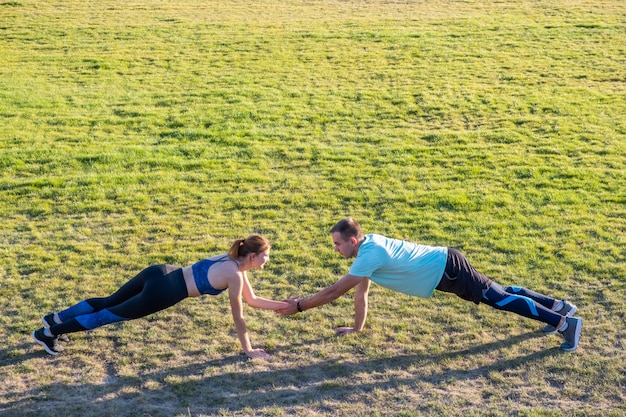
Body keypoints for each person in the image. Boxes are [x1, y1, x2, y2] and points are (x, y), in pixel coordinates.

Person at [276, 217, 583, 352]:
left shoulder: (369, 254)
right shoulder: (368, 250)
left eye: (337, 244)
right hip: (446, 266)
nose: (335, 250)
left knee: (498, 299)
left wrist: (299, 306)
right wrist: (356, 329)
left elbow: (334, 291)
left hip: (448, 270)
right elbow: (360, 293)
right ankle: (559, 307)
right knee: (500, 292)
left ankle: (563, 323)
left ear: (352, 240)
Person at [33, 234, 288, 358]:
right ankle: (47, 334)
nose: (268, 260)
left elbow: (253, 300)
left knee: (109, 301)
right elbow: (239, 316)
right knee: (107, 315)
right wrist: (249, 349)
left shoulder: (230, 260)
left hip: (161, 272)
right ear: (253, 257)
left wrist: (289, 305)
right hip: (164, 292)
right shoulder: (234, 274)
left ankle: (54, 319)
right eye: (266, 255)